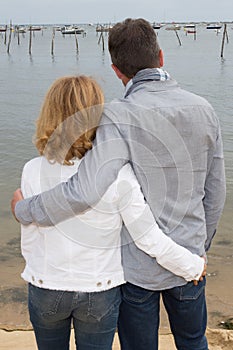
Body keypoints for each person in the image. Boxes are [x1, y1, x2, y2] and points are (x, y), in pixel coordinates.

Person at [12, 19, 225, 350]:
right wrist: (200, 245)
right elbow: (215, 192)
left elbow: (85, 190)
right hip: (188, 253)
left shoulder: (117, 115)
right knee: (193, 341)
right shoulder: (205, 109)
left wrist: (24, 208)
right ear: (162, 57)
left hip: (137, 269)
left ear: (115, 70)